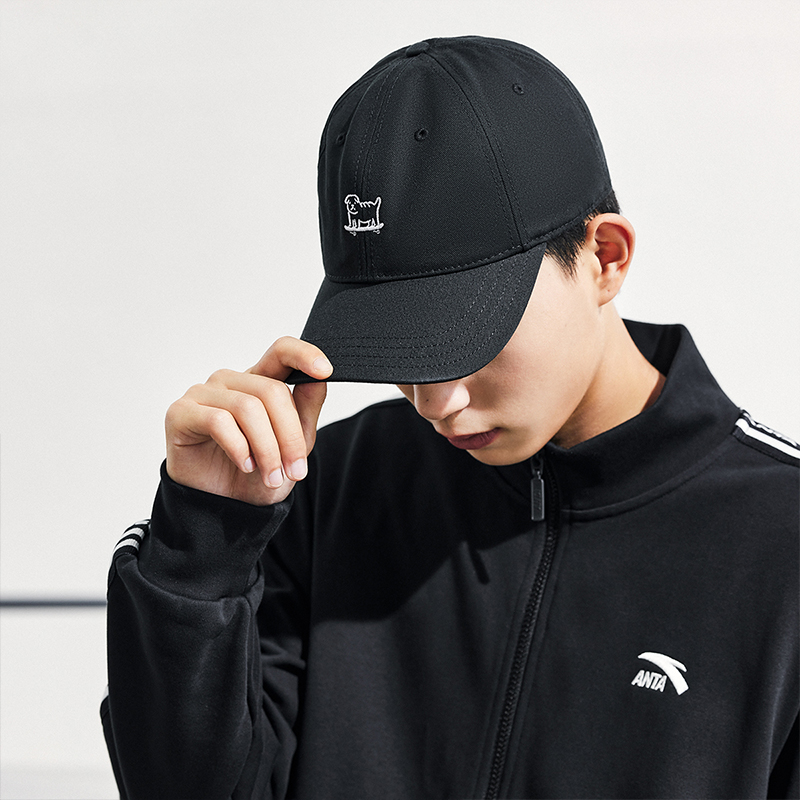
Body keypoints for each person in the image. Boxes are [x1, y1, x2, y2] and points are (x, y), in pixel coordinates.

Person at [102, 36, 799, 799]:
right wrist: (202, 552)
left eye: (473, 334)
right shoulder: (322, 492)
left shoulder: (781, 545)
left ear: (605, 257)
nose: (436, 403)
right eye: (401, 347)